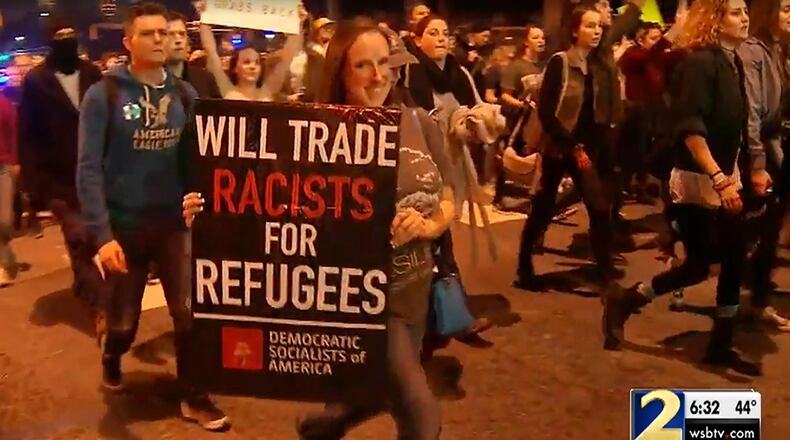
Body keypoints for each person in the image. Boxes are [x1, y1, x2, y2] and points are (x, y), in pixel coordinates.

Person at [237, 18, 451, 439]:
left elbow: (448, 198)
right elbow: (267, 205)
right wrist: (209, 213)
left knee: (377, 389)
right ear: (340, 73)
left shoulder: (418, 121)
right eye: (363, 66)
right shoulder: (318, 134)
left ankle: (320, 426)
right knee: (420, 413)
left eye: (383, 62)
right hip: (361, 300)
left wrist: (427, 226)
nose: (378, 75)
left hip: (416, 290)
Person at [76, 2, 229, 429]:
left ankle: (195, 397)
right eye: (149, 34)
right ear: (128, 42)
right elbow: (88, 168)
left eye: (164, 32)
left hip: (173, 226)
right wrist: (101, 235)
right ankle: (112, 352)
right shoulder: (104, 94)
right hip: (124, 228)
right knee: (125, 323)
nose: (160, 40)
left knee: (188, 311)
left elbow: (198, 158)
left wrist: (199, 198)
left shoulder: (184, 94)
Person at [602, 0, 762, 377]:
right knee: (696, 267)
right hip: (697, 181)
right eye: (735, 12)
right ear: (714, 19)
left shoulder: (730, 61)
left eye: (744, 10)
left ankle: (720, 344)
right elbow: (691, 127)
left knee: (734, 257)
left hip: (726, 177)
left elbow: (735, 124)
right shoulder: (699, 63)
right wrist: (719, 178)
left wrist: (749, 167)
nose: (745, 17)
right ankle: (626, 300)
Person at [515, 5, 624, 289]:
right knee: (543, 206)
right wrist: (573, 147)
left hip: (586, 150)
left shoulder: (601, 67)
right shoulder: (560, 63)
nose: (597, 31)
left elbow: (602, 115)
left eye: (599, 26)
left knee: (599, 208)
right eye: (590, 25)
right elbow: (548, 114)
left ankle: (604, 271)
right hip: (559, 147)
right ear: (575, 31)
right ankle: (524, 264)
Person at [18, 17, 105, 323]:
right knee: (79, 236)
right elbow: (27, 134)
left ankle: (86, 285)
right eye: (61, 37)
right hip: (59, 180)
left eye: (71, 36)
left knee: (96, 236)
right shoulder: (35, 80)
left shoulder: (93, 74)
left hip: (97, 173)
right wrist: (33, 186)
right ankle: (100, 308)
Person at [737, 0, 790, 331]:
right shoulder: (753, 52)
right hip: (759, 151)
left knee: (767, 230)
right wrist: (757, 163)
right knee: (750, 229)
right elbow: (753, 113)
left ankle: (756, 299)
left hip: (776, 148)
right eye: (785, 9)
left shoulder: (778, 51)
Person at [196, 0, 302, 101]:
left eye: (257, 63)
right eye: (246, 62)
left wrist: (298, 22)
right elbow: (211, 51)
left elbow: (288, 56)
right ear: (235, 68)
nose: (252, 67)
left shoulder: (268, 90)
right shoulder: (226, 89)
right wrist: (204, 18)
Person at [165, 11, 221, 99]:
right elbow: (136, 111)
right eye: (171, 34)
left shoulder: (205, 78)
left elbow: (219, 111)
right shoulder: (150, 80)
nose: (178, 40)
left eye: (182, 34)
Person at [0, 93, 18, 287]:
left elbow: (14, 133)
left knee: (4, 220)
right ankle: (3, 265)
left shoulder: (4, 104)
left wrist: (15, 161)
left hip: (3, 168)